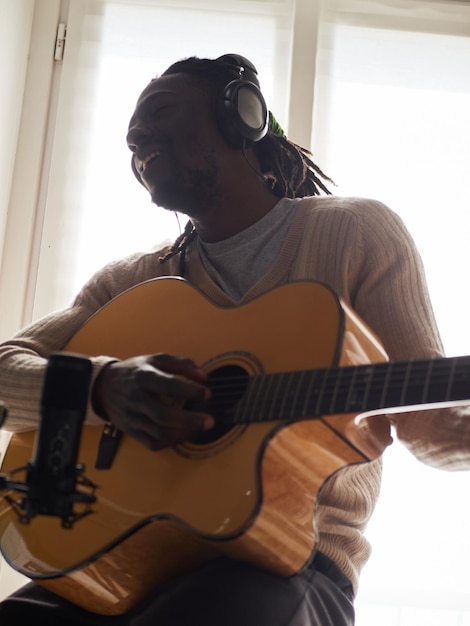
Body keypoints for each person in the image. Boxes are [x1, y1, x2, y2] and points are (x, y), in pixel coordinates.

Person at [0, 53, 469, 626]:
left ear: (240, 116)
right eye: (130, 138)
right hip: (118, 562)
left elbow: (428, 423)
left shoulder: (353, 233)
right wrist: (104, 388)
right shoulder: (128, 284)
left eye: (160, 112)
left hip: (292, 565)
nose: (136, 137)